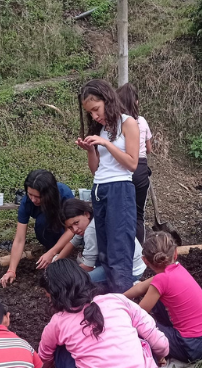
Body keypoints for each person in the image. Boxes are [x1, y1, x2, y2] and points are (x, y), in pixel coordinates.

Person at [38, 259, 168, 368]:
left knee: (59, 350)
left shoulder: (58, 322)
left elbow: (43, 361)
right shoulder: (118, 300)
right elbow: (158, 341)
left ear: (55, 295)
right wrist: (161, 356)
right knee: (143, 338)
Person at [75, 79, 140, 293]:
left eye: (96, 109)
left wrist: (106, 144)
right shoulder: (101, 129)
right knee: (105, 250)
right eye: (90, 113)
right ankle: (111, 296)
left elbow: (132, 163)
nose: (95, 116)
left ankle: (123, 297)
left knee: (119, 248)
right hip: (99, 189)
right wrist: (90, 150)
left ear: (108, 100)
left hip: (120, 189)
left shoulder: (128, 123)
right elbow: (96, 170)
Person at [124, 232, 202, 363]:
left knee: (139, 327)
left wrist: (116, 311)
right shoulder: (176, 270)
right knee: (154, 296)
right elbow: (140, 288)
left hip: (191, 347)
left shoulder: (161, 280)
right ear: (175, 253)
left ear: (145, 261)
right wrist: (119, 297)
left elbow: (138, 315)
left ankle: (155, 357)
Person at [0, 169, 75, 287]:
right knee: (42, 222)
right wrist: (11, 270)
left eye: (38, 196)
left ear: (49, 194)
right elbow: (19, 239)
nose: (33, 199)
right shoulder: (27, 202)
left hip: (67, 229)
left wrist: (52, 253)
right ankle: (52, 248)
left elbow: (72, 229)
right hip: (47, 228)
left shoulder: (64, 194)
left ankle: (60, 251)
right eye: (30, 194)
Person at [56, 198, 146, 285]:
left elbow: (88, 267)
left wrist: (65, 275)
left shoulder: (90, 231)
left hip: (129, 272)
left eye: (76, 223)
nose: (75, 229)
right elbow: (74, 241)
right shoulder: (97, 218)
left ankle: (131, 285)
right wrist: (57, 260)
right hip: (138, 264)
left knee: (75, 281)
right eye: (70, 227)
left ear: (86, 214)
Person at [117, 83, 153, 244]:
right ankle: (138, 251)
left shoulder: (116, 123)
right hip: (140, 169)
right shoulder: (142, 121)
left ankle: (123, 247)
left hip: (121, 168)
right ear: (136, 102)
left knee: (120, 213)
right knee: (138, 215)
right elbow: (149, 149)